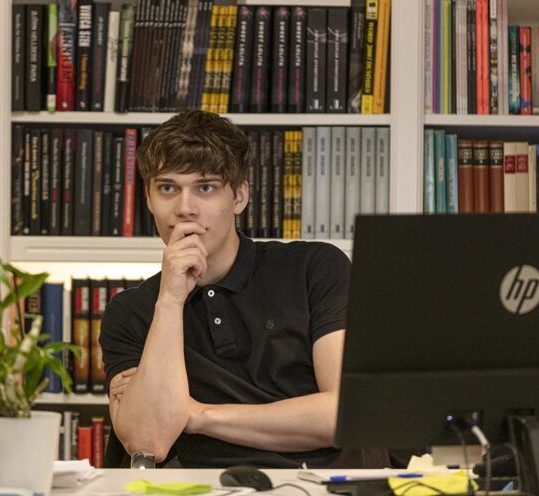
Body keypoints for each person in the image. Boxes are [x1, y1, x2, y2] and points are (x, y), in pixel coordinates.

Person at [100, 110, 391, 468]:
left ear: (239, 196)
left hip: (321, 484)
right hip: (206, 488)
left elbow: (344, 413)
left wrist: (195, 415)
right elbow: (149, 441)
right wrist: (171, 299)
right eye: (168, 188)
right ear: (148, 198)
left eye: (205, 187)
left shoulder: (315, 267)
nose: (184, 208)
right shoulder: (130, 311)